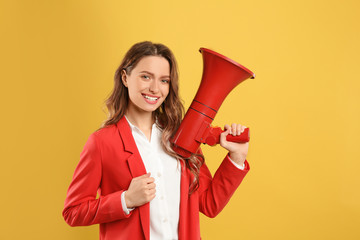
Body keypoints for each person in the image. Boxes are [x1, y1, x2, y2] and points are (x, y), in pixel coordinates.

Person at [62, 41, 250, 240]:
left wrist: (236, 158)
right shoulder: (101, 142)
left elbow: (209, 204)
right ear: (125, 78)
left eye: (164, 81)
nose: (154, 89)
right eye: (145, 77)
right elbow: (73, 212)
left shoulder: (181, 137)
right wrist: (126, 200)